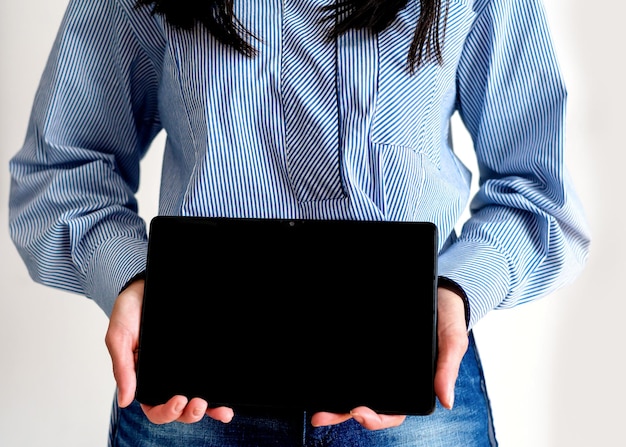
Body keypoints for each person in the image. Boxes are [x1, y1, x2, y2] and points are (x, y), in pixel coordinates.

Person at [8, 0, 590, 445]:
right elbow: (63, 168)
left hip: (412, 384)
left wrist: (455, 293)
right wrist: (138, 284)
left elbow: (536, 188)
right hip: (193, 392)